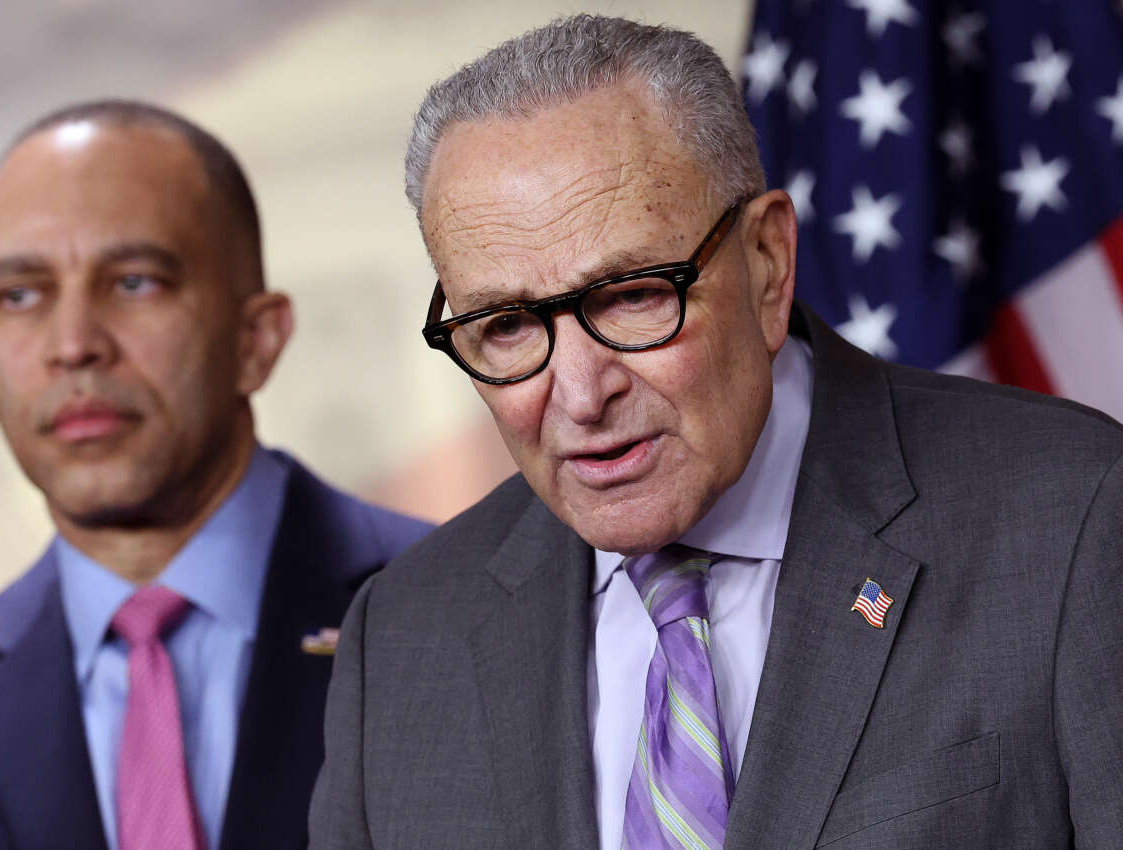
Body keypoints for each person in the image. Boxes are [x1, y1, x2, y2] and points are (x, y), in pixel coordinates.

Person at [309, 15, 1123, 850]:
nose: (582, 394)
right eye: (509, 324)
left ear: (768, 263)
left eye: (633, 295)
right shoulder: (404, 637)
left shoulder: (1075, 521)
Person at [0, 100, 431, 850]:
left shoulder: (453, 616)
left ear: (257, 338)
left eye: (134, 282)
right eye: (21, 295)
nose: (73, 346)